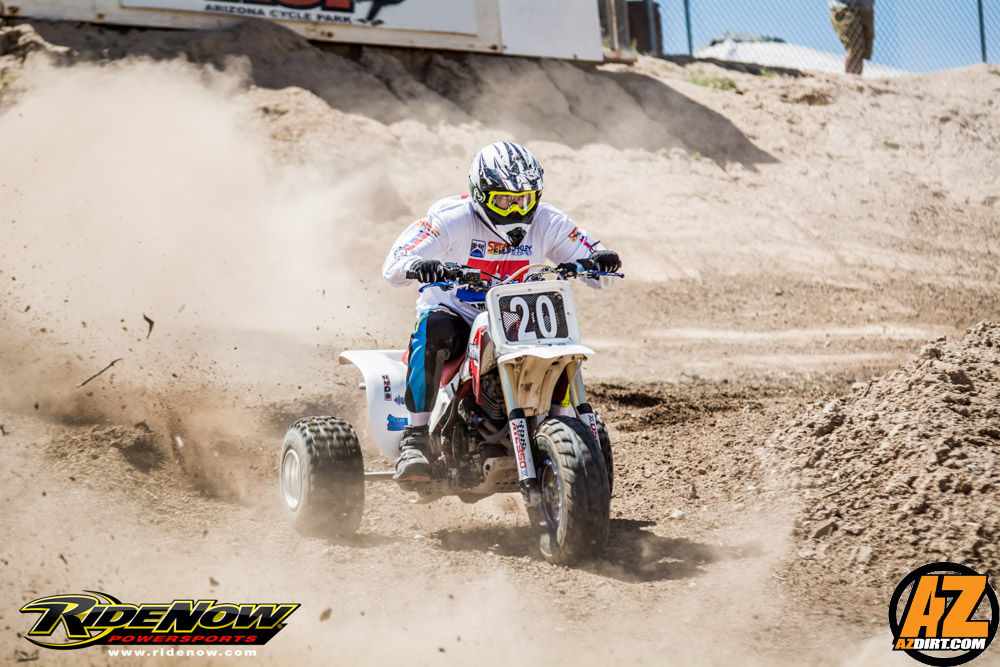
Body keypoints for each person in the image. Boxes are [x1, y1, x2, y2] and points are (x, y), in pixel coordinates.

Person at [382, 141, 622, 483]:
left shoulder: (548, 221)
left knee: (562, 334)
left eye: (524, 200)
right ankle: (415, 438)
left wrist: (600, 263)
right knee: (433, 328)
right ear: (481, 195)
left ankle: (563, 424)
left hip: (518, 316)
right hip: (459, 315)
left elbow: (603, 273)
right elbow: (394, 265)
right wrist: (421, 266)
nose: (515, 210)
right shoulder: (452, 218)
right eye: (504, 201)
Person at [829, 0, 875, 75]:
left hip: (866, 7)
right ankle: (850, 78)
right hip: (844, 6)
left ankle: (856, 77)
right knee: (855, 48)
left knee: (862, 50)